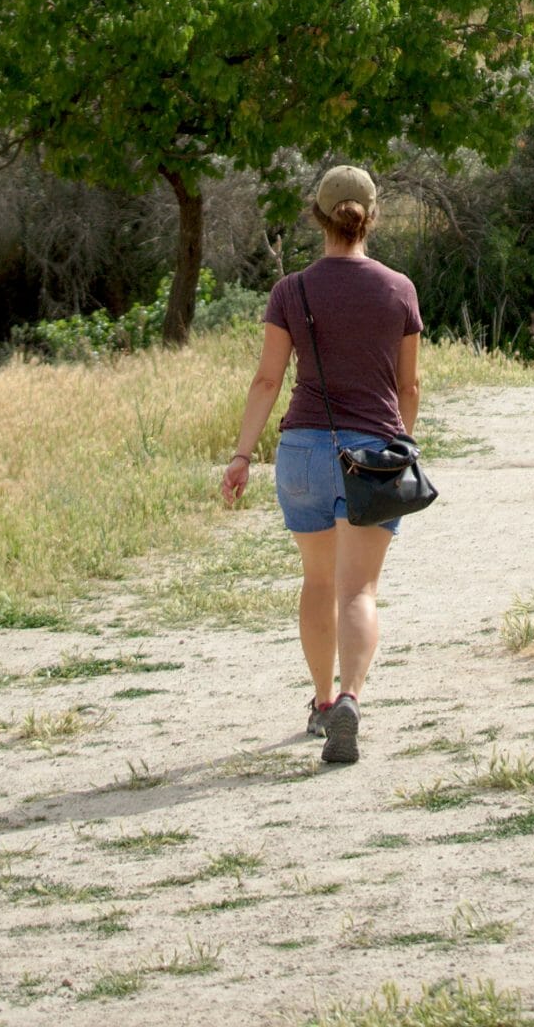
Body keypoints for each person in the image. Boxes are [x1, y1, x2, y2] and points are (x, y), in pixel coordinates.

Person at [219, 163, 422, 768]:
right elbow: (409, 387)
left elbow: (266, 379)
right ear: (370, 216)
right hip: (371, 457)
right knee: (358, 588)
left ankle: (323, 701)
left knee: (317, 583)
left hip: (303, 451)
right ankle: (353, 699)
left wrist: (240, 456)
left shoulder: (292, 291)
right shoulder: (399, 290)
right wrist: (400, 447)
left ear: (318, 216)